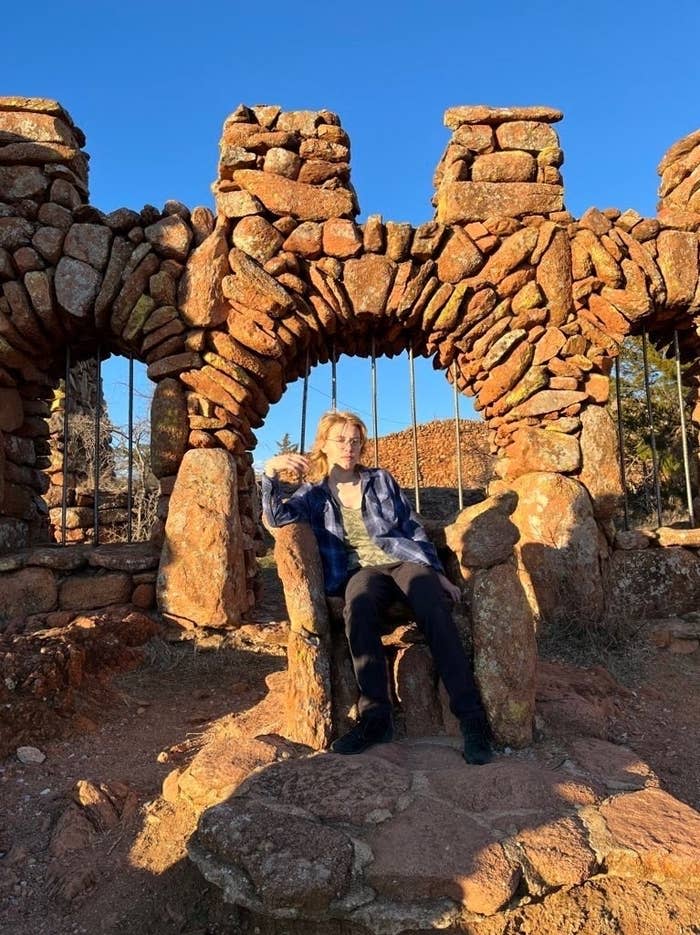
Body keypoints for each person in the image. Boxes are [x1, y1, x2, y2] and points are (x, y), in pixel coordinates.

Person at [261, 410, 491, 764]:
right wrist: (271, 473)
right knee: (359, 607)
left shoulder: (380, 480)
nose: (349, 447)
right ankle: (375, 719)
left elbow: (411, 528)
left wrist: (437, 572)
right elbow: (277, 519)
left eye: (355, 440)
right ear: (323, 444)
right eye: (340, 439)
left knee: (433, 604)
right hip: (360, 572)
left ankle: (472, 719)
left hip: (403, 562)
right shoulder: (314, 494)